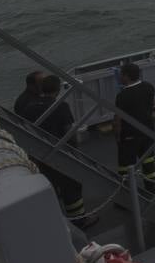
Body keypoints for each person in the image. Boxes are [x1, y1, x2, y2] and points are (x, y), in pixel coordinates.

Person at [14, 72, 97, 227]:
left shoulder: (29, 107)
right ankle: (78, 219)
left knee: (51, 183)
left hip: (40, 154)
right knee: (71, 186)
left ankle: (55, 217)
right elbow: (68, 132)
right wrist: (75, 149)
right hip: (62, 152)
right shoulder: (61, 106)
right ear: (58, 90)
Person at [114, 62, 155, 194]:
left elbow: (118, 120)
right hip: (147, 132)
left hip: (129, 137)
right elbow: (152, 107)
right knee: (148, 162)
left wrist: (117, 137)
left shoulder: (122, 96)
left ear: (126, 76)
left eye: (121, 74)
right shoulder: (149, 87)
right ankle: (152, 189)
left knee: (125, 167)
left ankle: (126, 193)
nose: (120, 77)